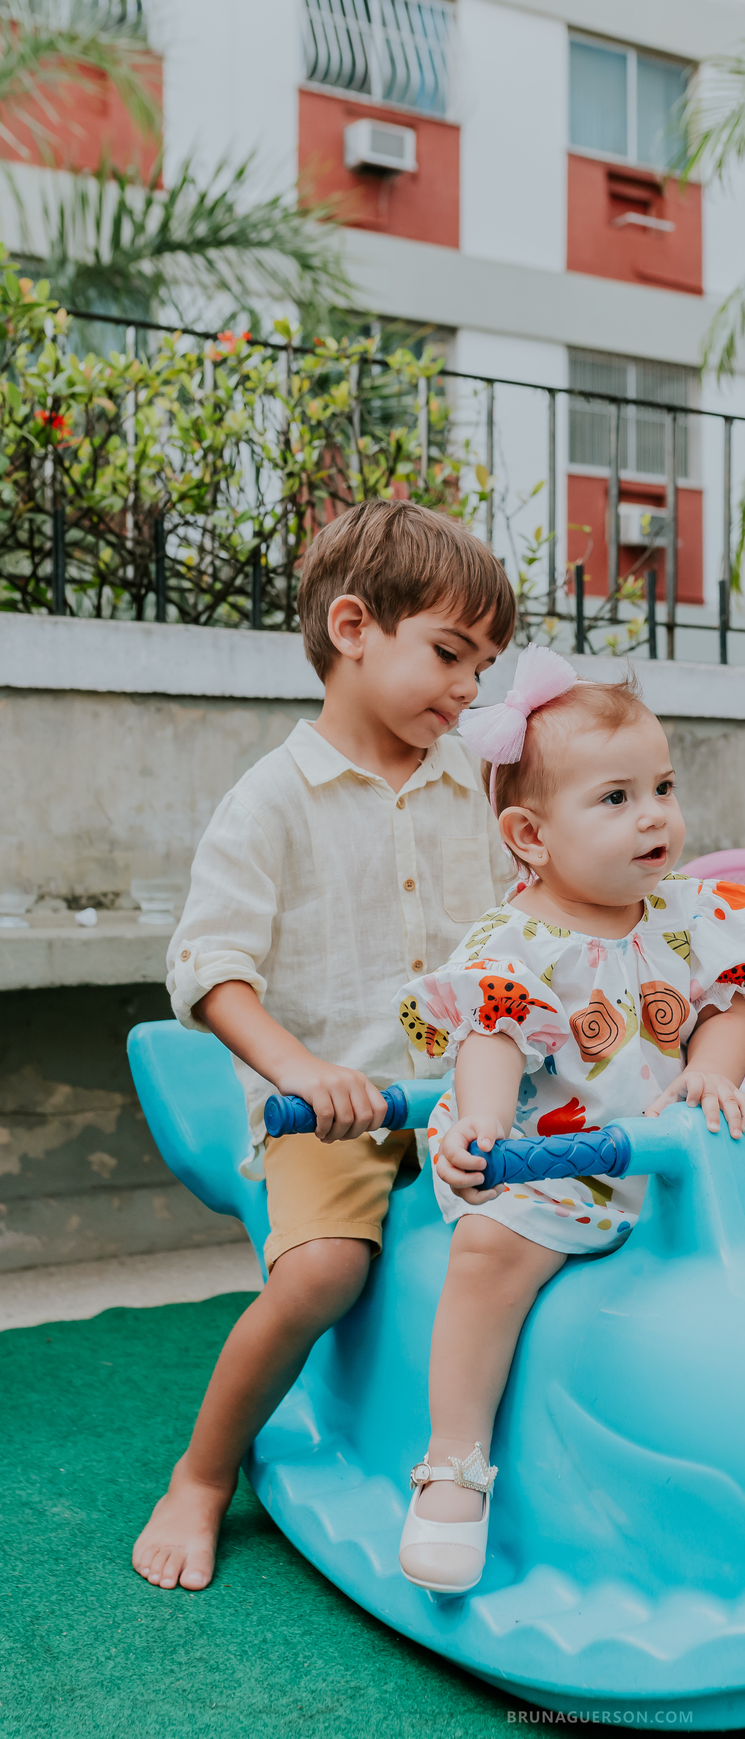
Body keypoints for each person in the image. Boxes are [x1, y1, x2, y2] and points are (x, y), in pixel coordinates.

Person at [132, 500, 516, 1594]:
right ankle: (203, 1474)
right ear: (353, 628)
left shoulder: (473, 789)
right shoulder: (271, 801)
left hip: (467, 1099)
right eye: (449, 653)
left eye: (484, 666)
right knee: (322, 1273)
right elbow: (209, 966)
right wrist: (300, 1072)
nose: (469, 688)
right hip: (334, 1117)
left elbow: (518, 933)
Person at [393, 647, 745, 1594]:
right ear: (530, 835)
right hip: (554, 1163)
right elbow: (490, 1035)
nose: (654, 814)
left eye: (662, 787)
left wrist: (711, 1072)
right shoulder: (517, 941)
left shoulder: (692, 915)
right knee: (488, 1253)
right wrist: (487, 1123)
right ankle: (453, 1462)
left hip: (671, 1163)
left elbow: (726, 1011)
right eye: (616, 798)